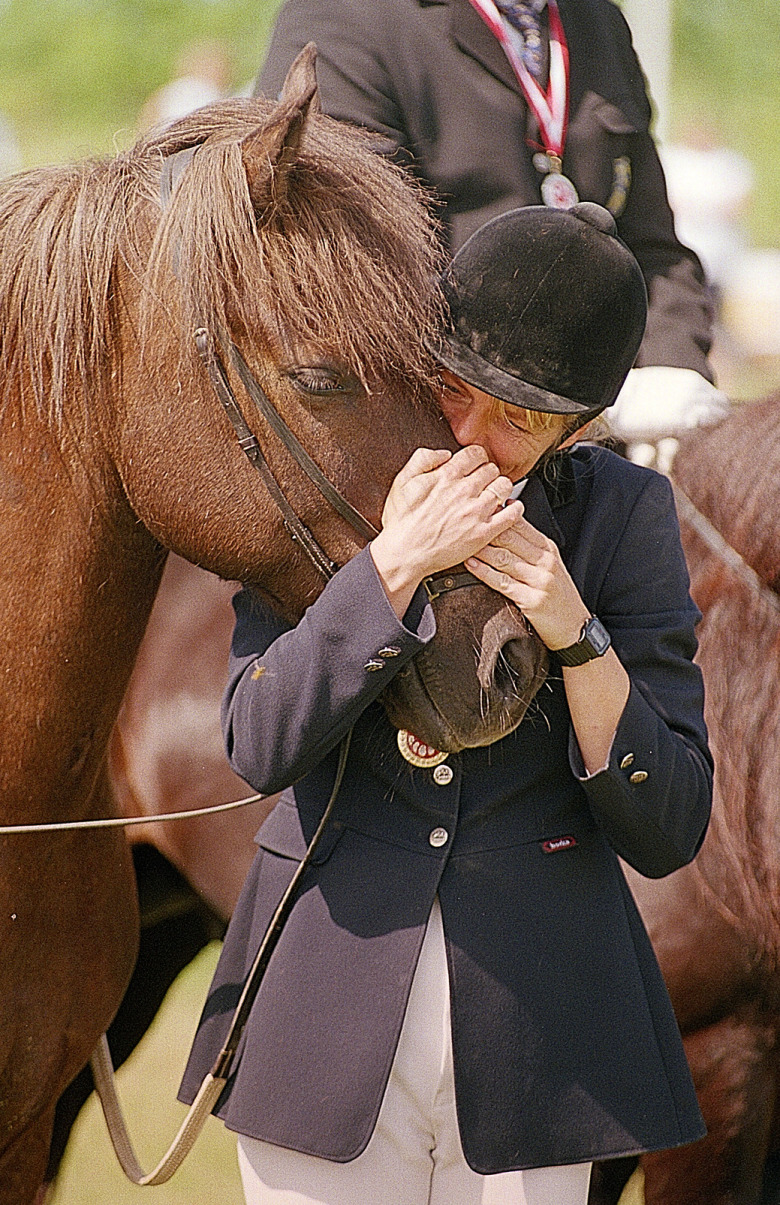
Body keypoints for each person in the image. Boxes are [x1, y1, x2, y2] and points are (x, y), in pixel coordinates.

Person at [179, 202, 712, 1204]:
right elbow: (257, 741)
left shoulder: (625, 513)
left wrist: (573, 627)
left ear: (578, 428)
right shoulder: (333, 479)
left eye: (519, 420)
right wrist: (389, 567)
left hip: (540, 1031)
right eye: (457, 394)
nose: (472, 437)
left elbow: (670, 821)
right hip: (323, 1000)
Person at [255, 0, 729, 443]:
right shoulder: (346, 15)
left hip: (599, 448)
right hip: (437, 443)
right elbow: (350, 280)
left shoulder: (595, 18)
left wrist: (677, 383)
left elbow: (654, 249)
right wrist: (579, 406)